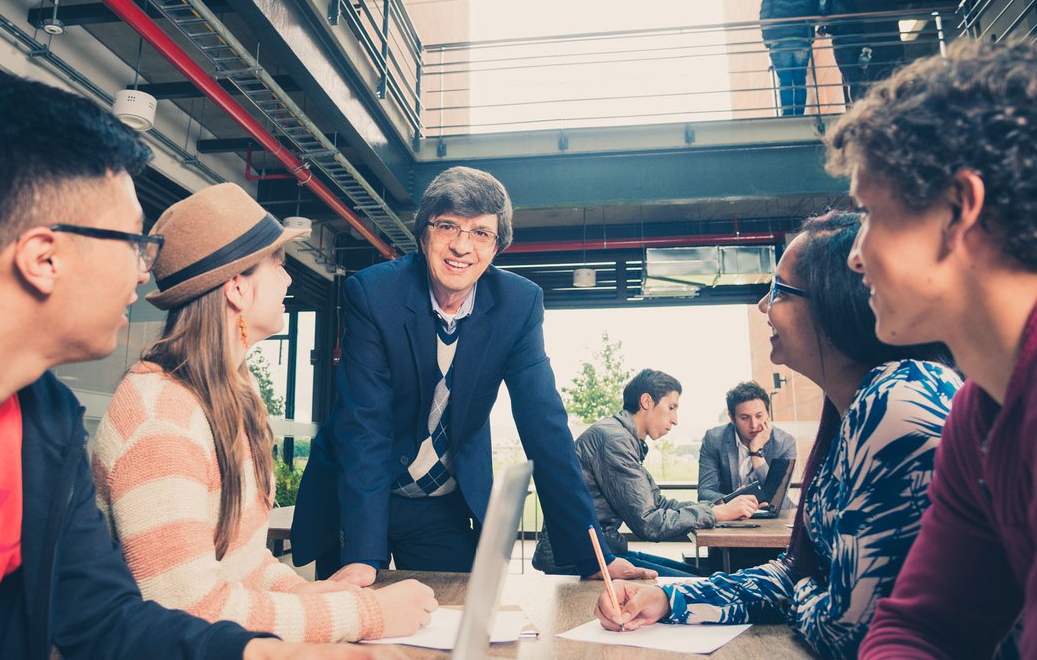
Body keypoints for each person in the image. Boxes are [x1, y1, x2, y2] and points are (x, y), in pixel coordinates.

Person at [0, 70, 405, 660]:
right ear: (44, 258)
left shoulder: (44, 420)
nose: (143, 273)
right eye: (134, 243)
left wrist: (292, 652)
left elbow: (104, 622)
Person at [592, 211, 962, 660]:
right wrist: (673, 600)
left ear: (834, 302)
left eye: (778, 291)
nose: (765, 306)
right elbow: (796, 572)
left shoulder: (898, 401)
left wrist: (802, 590)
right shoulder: (853, 410)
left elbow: (850, 631)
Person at [92, 184, 437, 644]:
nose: (289, 279)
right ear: (236, 288)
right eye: (278, 264)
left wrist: (315, 596)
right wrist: (364, 612)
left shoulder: (235, 393)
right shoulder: (162, 416)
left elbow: (246, 563)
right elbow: (189, 611)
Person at [291, 166, 654, 585]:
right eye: (447, 226)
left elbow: (546, 429)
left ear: (498, 245)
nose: (462, 247)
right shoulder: (374, 294)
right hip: (356, 495)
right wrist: (361, 555)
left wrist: (594, 558)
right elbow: (364, 425)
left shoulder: (518, 305)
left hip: (437, 505)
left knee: (459, 626)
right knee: (351, 626)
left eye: (481, 233)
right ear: (423, 231)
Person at [826, 39, 1037, 659]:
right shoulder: (980, 413)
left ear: (959, 208)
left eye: (869, 212)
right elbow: (923, 627)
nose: (855, 253)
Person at [532, 369, 760, 577]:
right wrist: (717, 514)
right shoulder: (615, 440)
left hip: (600, 551)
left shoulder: (624, 438)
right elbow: (650, 523)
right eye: (672, 407)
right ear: (646, 401)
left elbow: (658, 504)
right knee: (703, 583)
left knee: (701, 576)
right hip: (579, 560)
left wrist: (717, 507)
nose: (675, 420)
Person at [697, 381, 797, 504]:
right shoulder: (714, 439)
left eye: (759, 416)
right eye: (744, 418)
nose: (754, 425)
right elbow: (705, 491)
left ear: (768, 413)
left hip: (771, 516)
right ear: (732, 418)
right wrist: (733, 501)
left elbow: (778, 496)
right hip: (730, 517)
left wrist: (756, 452)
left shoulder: (784, 443)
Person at [760, 0, 820, 117]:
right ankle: (799, 113)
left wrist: (768, 41)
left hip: (779, 42)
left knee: (785, 81)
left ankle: (787, 114)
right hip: (801, 41)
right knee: (800, 79)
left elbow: (765, 18)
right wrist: (810, 37)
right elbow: (814, 15)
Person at [812, 0, 870, 104]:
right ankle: (864, 58)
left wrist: (821, 29)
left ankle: (857, 110)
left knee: (851, 80)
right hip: (860, 36)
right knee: (860, 77)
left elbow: (823, 12)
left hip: (844, 40)